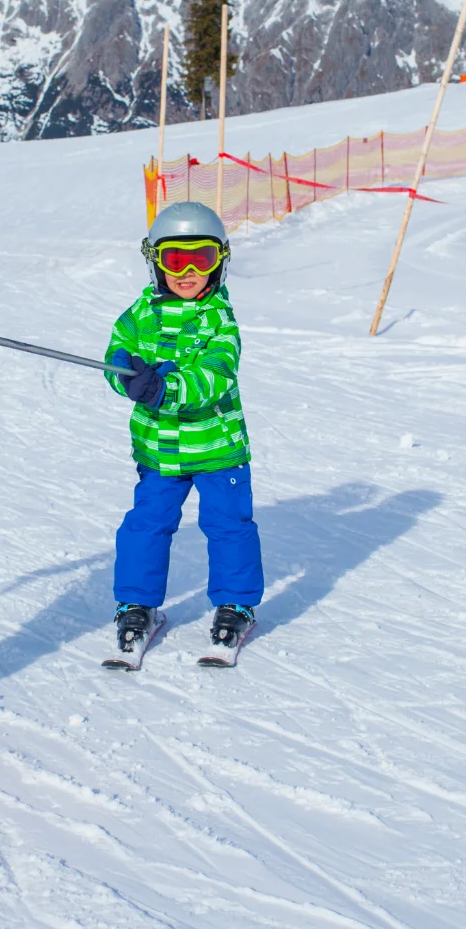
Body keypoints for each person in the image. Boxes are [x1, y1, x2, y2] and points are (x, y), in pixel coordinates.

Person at [102, 202, 263, 660]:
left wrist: (165, 388)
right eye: (175, 259)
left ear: (221, 262)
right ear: (155, 261)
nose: (188, 271)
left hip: (217, 450)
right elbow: (115, 357)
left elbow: (214, 377)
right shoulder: (139, 314)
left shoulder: (220, 321)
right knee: (145, 526)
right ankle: (137, 604)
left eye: (202, 259)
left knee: (229, 526)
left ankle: (236, 604)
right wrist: (126, 377)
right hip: (159, 453)